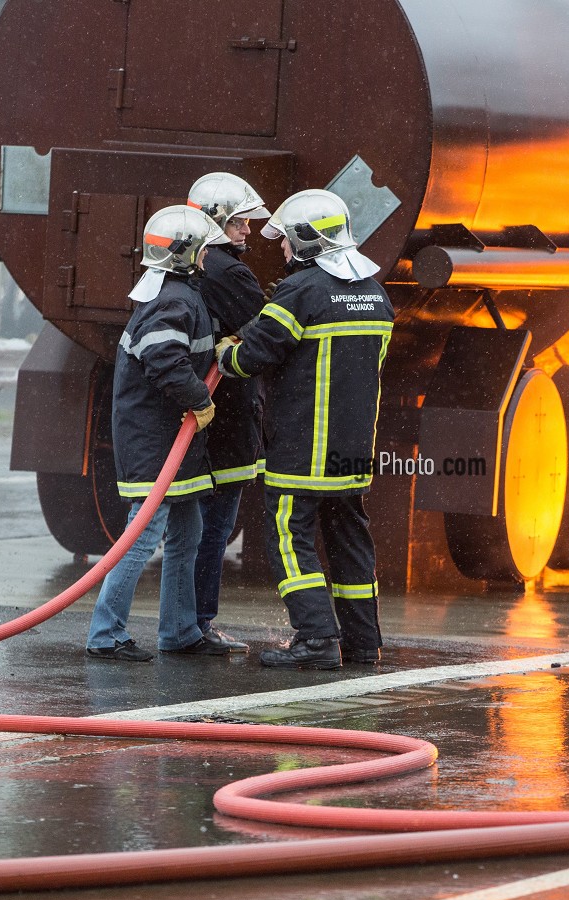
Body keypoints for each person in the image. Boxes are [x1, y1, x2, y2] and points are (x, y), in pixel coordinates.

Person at [215, 189, 393, 670]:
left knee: (290, 538)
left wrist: (221, 352)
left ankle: (316, 639)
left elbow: (252, 355)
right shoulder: (375, 293)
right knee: (350, 540)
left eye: (287, 242)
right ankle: (361, 642)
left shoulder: (302, 291)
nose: (283, 251)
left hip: (303, 447)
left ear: (308, 240)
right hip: (353, 452)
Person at [85, 205, 229, 661]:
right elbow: (166, 361)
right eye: (204, 250)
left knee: (189, 530)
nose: (209, 257)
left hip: (170, 442)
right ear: (187, 254)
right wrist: (200, 398)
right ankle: (105, 634)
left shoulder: (175, 293)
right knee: (142, 537)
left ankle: (180, 631)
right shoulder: (173, 299)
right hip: (156, 443)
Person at [185, 172, 273, 654]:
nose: (249, 231)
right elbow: (265, 334)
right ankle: (199, 623)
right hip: (230, 415)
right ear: (218, 222)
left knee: (191, 529)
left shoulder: (191, 265)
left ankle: (184, 623)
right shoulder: (230, 272)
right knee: (213, 529)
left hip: (201, 419)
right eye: (241, 222)